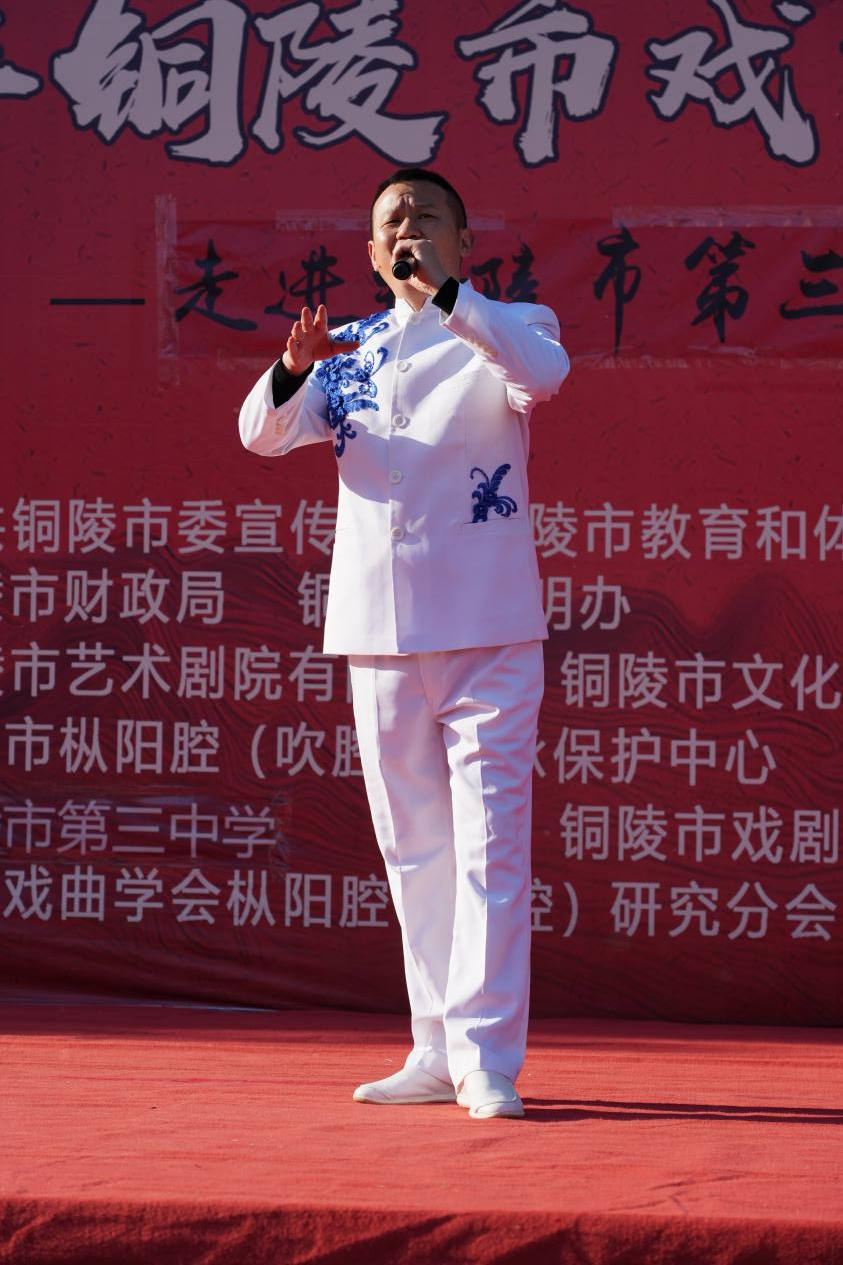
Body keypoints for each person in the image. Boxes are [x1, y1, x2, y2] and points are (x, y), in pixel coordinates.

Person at [239, 168, 569, 1119]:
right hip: (379, 626)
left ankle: (485, 1058)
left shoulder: (511, 324)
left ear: (463, 242)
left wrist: (451, 300)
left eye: (425, 217)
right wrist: (293, 367)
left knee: (489, 845)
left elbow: (542, 377)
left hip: (486, 626)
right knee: (413, 847)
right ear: (371, 254)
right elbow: (260, 433)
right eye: (391, 224)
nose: (407, 232)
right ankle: (433, 1047)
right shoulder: (352, 348)